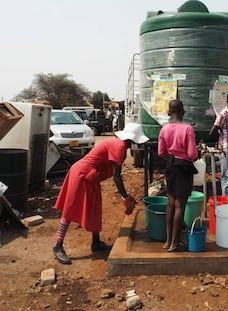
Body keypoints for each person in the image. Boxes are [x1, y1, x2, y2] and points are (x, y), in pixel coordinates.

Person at [52, 123, 149, 264]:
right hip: (82, 174)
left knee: (95, 207)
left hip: (91, 176)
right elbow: (117, 176)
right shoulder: (120, 147)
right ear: (133, 140)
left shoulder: (118, 144)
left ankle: (96, 243)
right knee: (70, 209)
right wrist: (125, 197)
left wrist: (125, 196)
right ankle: (58, 246)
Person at [158, 99, 199, 252]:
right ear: (183, 112)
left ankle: (168, 241)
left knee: (170, 204)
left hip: (170, 165)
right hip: (183, 167)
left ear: (169, 113)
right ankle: (175, 242)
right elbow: (192, 154)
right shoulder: (188, 129)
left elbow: (161, 152)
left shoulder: (164, 129)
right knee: (180, 205)